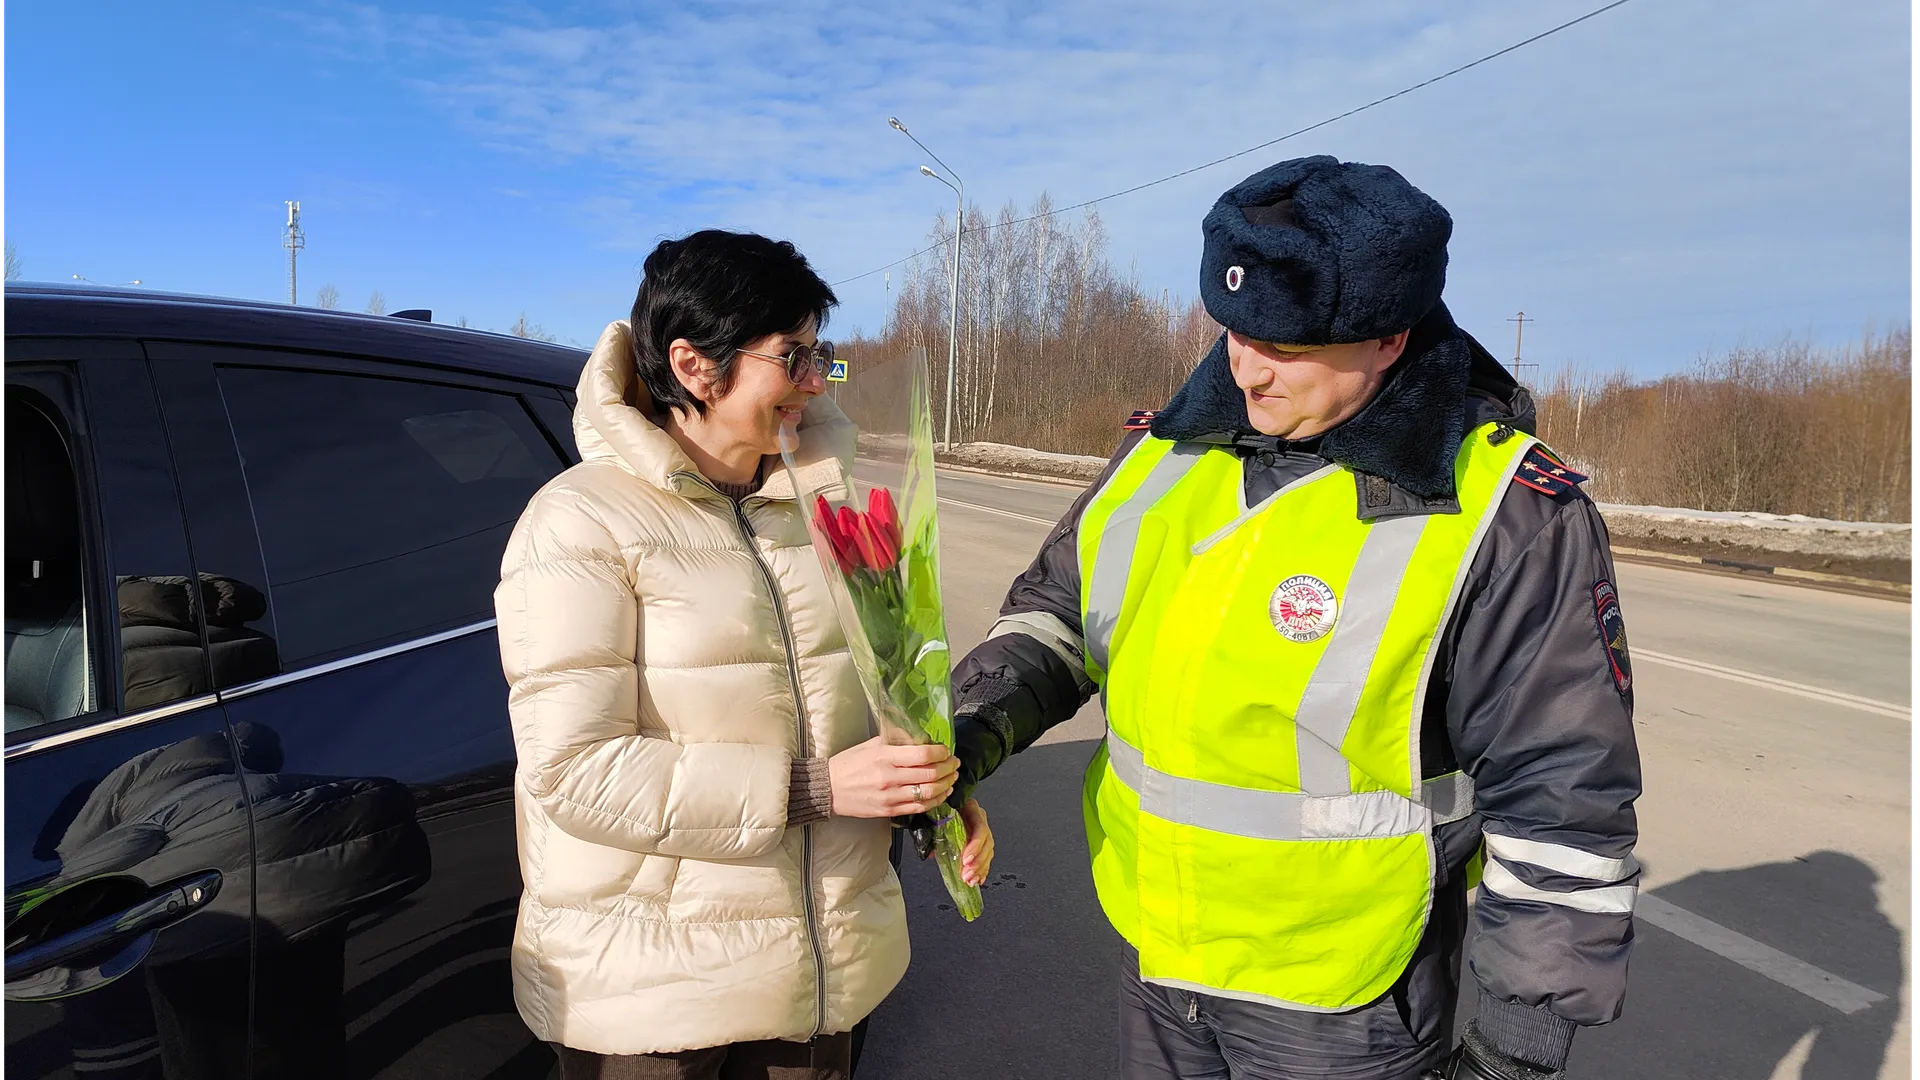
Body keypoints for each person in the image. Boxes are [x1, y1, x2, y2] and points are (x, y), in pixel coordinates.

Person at [945, 157, 1641, 1079]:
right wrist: (966, 732)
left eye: (1285, 344)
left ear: (1390, 338)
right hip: (1159, 959)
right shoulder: (1160, 458)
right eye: (1231, 331)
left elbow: (1564, 794)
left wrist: (1517, 1046)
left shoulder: (1503, 509)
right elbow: (1054, 620)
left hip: (1344, 1006)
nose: (1244, 369)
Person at [494, 230, 993, 1080]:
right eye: (792, 356)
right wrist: (821, 788)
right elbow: (575, 771)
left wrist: (929, 799)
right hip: (658, 1000)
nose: (814, 381)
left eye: (820, 354)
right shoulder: (580, 523)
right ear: (693, 366)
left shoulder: (824, 508)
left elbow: (880, 701)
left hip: (819, 988)